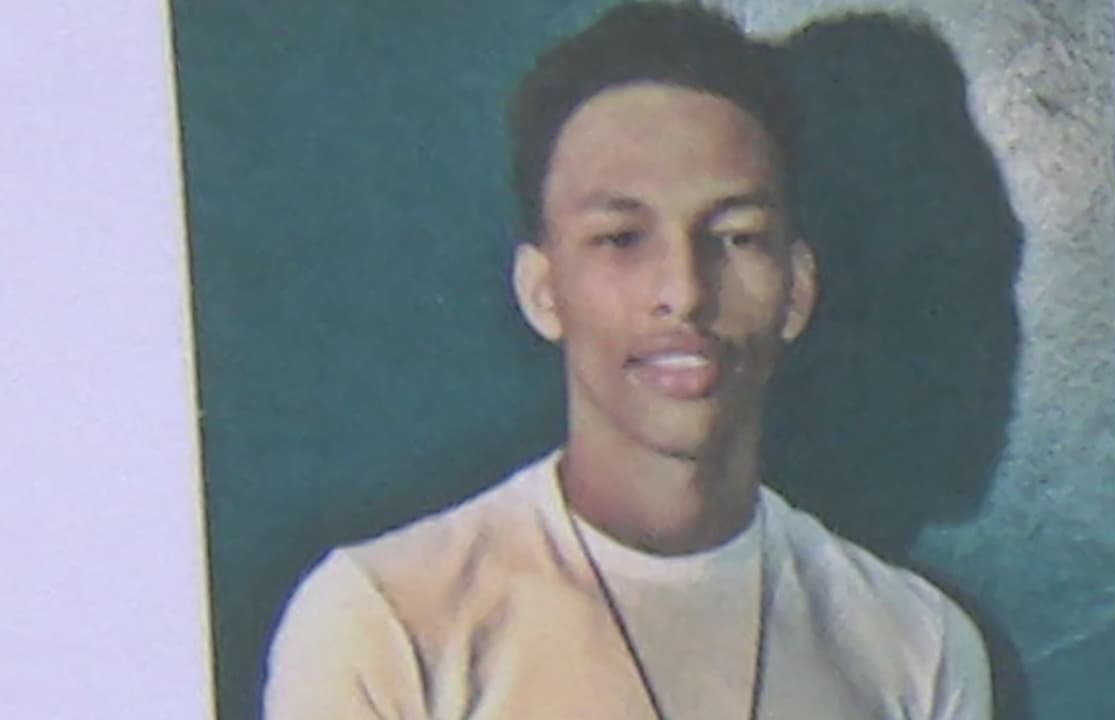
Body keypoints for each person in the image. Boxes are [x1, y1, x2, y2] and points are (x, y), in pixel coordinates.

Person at [264, 3, 992, 718]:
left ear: (796, 289)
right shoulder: (385, 622)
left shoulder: (916, 644)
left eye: (736, 236)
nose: (684, 292)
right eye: (620, 238)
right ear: (543, 291)